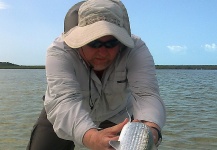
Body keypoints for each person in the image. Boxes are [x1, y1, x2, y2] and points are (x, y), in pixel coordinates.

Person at [27, 0, 166, 149]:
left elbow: (146, 94)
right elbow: (64, 100)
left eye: (111, 43)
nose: (102, 52)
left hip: (118, 116)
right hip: (63, 112)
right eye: (94, 43)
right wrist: (91, 137)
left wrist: (151, 130)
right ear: (79, 40)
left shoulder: (136, 49)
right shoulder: (59, 51)